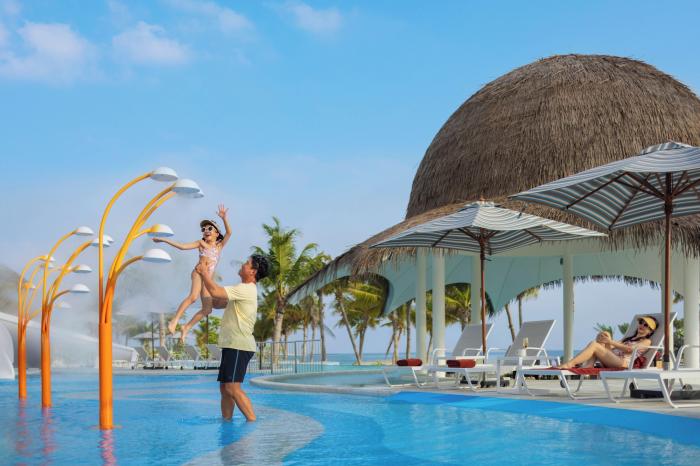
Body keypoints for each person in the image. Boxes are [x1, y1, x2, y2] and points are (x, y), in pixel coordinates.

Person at [196, 254, 269, 422]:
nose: (243, 264)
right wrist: (202, 280)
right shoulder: (241, 291)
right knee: (225, 388)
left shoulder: (246, 289)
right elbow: (216, 302)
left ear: (253, 271)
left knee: (232, 388)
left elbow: (215, 291)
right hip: (232, 345)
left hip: (239, 345)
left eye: (247, 263)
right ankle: (226, 421)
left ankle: (252, 421)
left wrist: (205, 273)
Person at [153, 204, 232, 343]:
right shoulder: (201, 243)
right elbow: (182, 247)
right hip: (198, 273)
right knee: (193, 297)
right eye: (203, 229)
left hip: (208, 278)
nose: (206, 230)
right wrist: (163, 239)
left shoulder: (219, 246)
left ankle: (186, 327)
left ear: (216, 233)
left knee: (207, 309)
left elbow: (229, 233)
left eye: (209, 228)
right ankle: (174, 320)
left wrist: (224, 218)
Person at [559, 315, 657, 369]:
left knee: (594, 345)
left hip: (622, 363)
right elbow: (612, 347)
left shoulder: (646, 341)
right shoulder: (628, 338)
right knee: (605, 334)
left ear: (650, 331)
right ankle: (589, 364)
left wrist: (610, 342)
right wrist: (604, 340)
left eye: (646, 325)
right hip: (612, 359)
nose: (642, 325)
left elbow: (629, 350)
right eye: (641, 323)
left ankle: (571, 364)